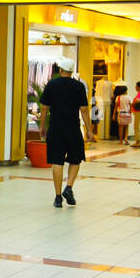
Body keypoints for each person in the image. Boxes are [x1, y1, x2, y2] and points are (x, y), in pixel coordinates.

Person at [39, 56, 92, 207]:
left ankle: (57, 197)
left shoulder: (52, 84)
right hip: (73, 128)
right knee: (76, 158)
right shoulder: (79, 86)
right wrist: (89, 130)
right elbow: (84, 110)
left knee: (57, 161)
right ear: (70, 71)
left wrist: (43, 126)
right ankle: (68, 187)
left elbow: (44, 108)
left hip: (56, 127)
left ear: (61, 70)